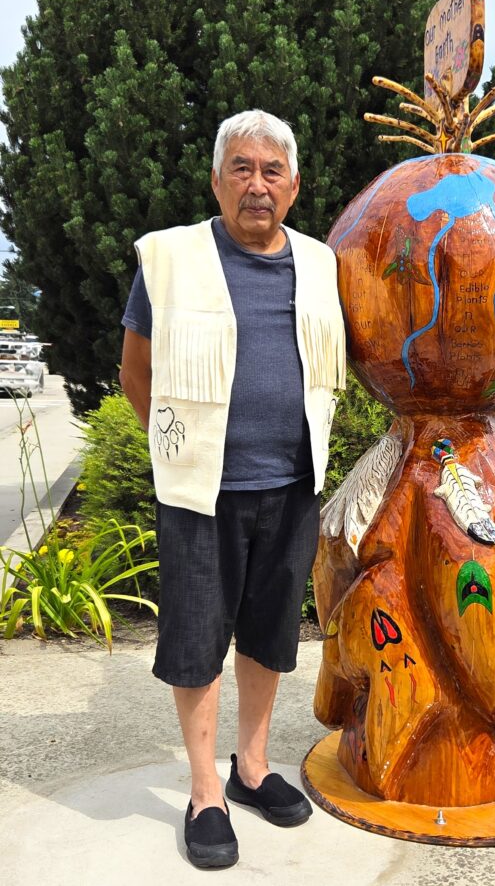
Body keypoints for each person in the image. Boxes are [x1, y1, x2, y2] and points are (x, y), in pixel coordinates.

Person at [119, 110, 345, 869]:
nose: (257, 185)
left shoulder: (321, 263)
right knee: (195, 640)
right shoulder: (169, 259)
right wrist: (177, 448)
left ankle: (250, 769)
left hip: (291, 483)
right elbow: (135, 370)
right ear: (216, 181)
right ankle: (204, 790)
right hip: (198, 490)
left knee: (270, 633)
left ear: (293, 184)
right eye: (241, 169)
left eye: (271, 171)